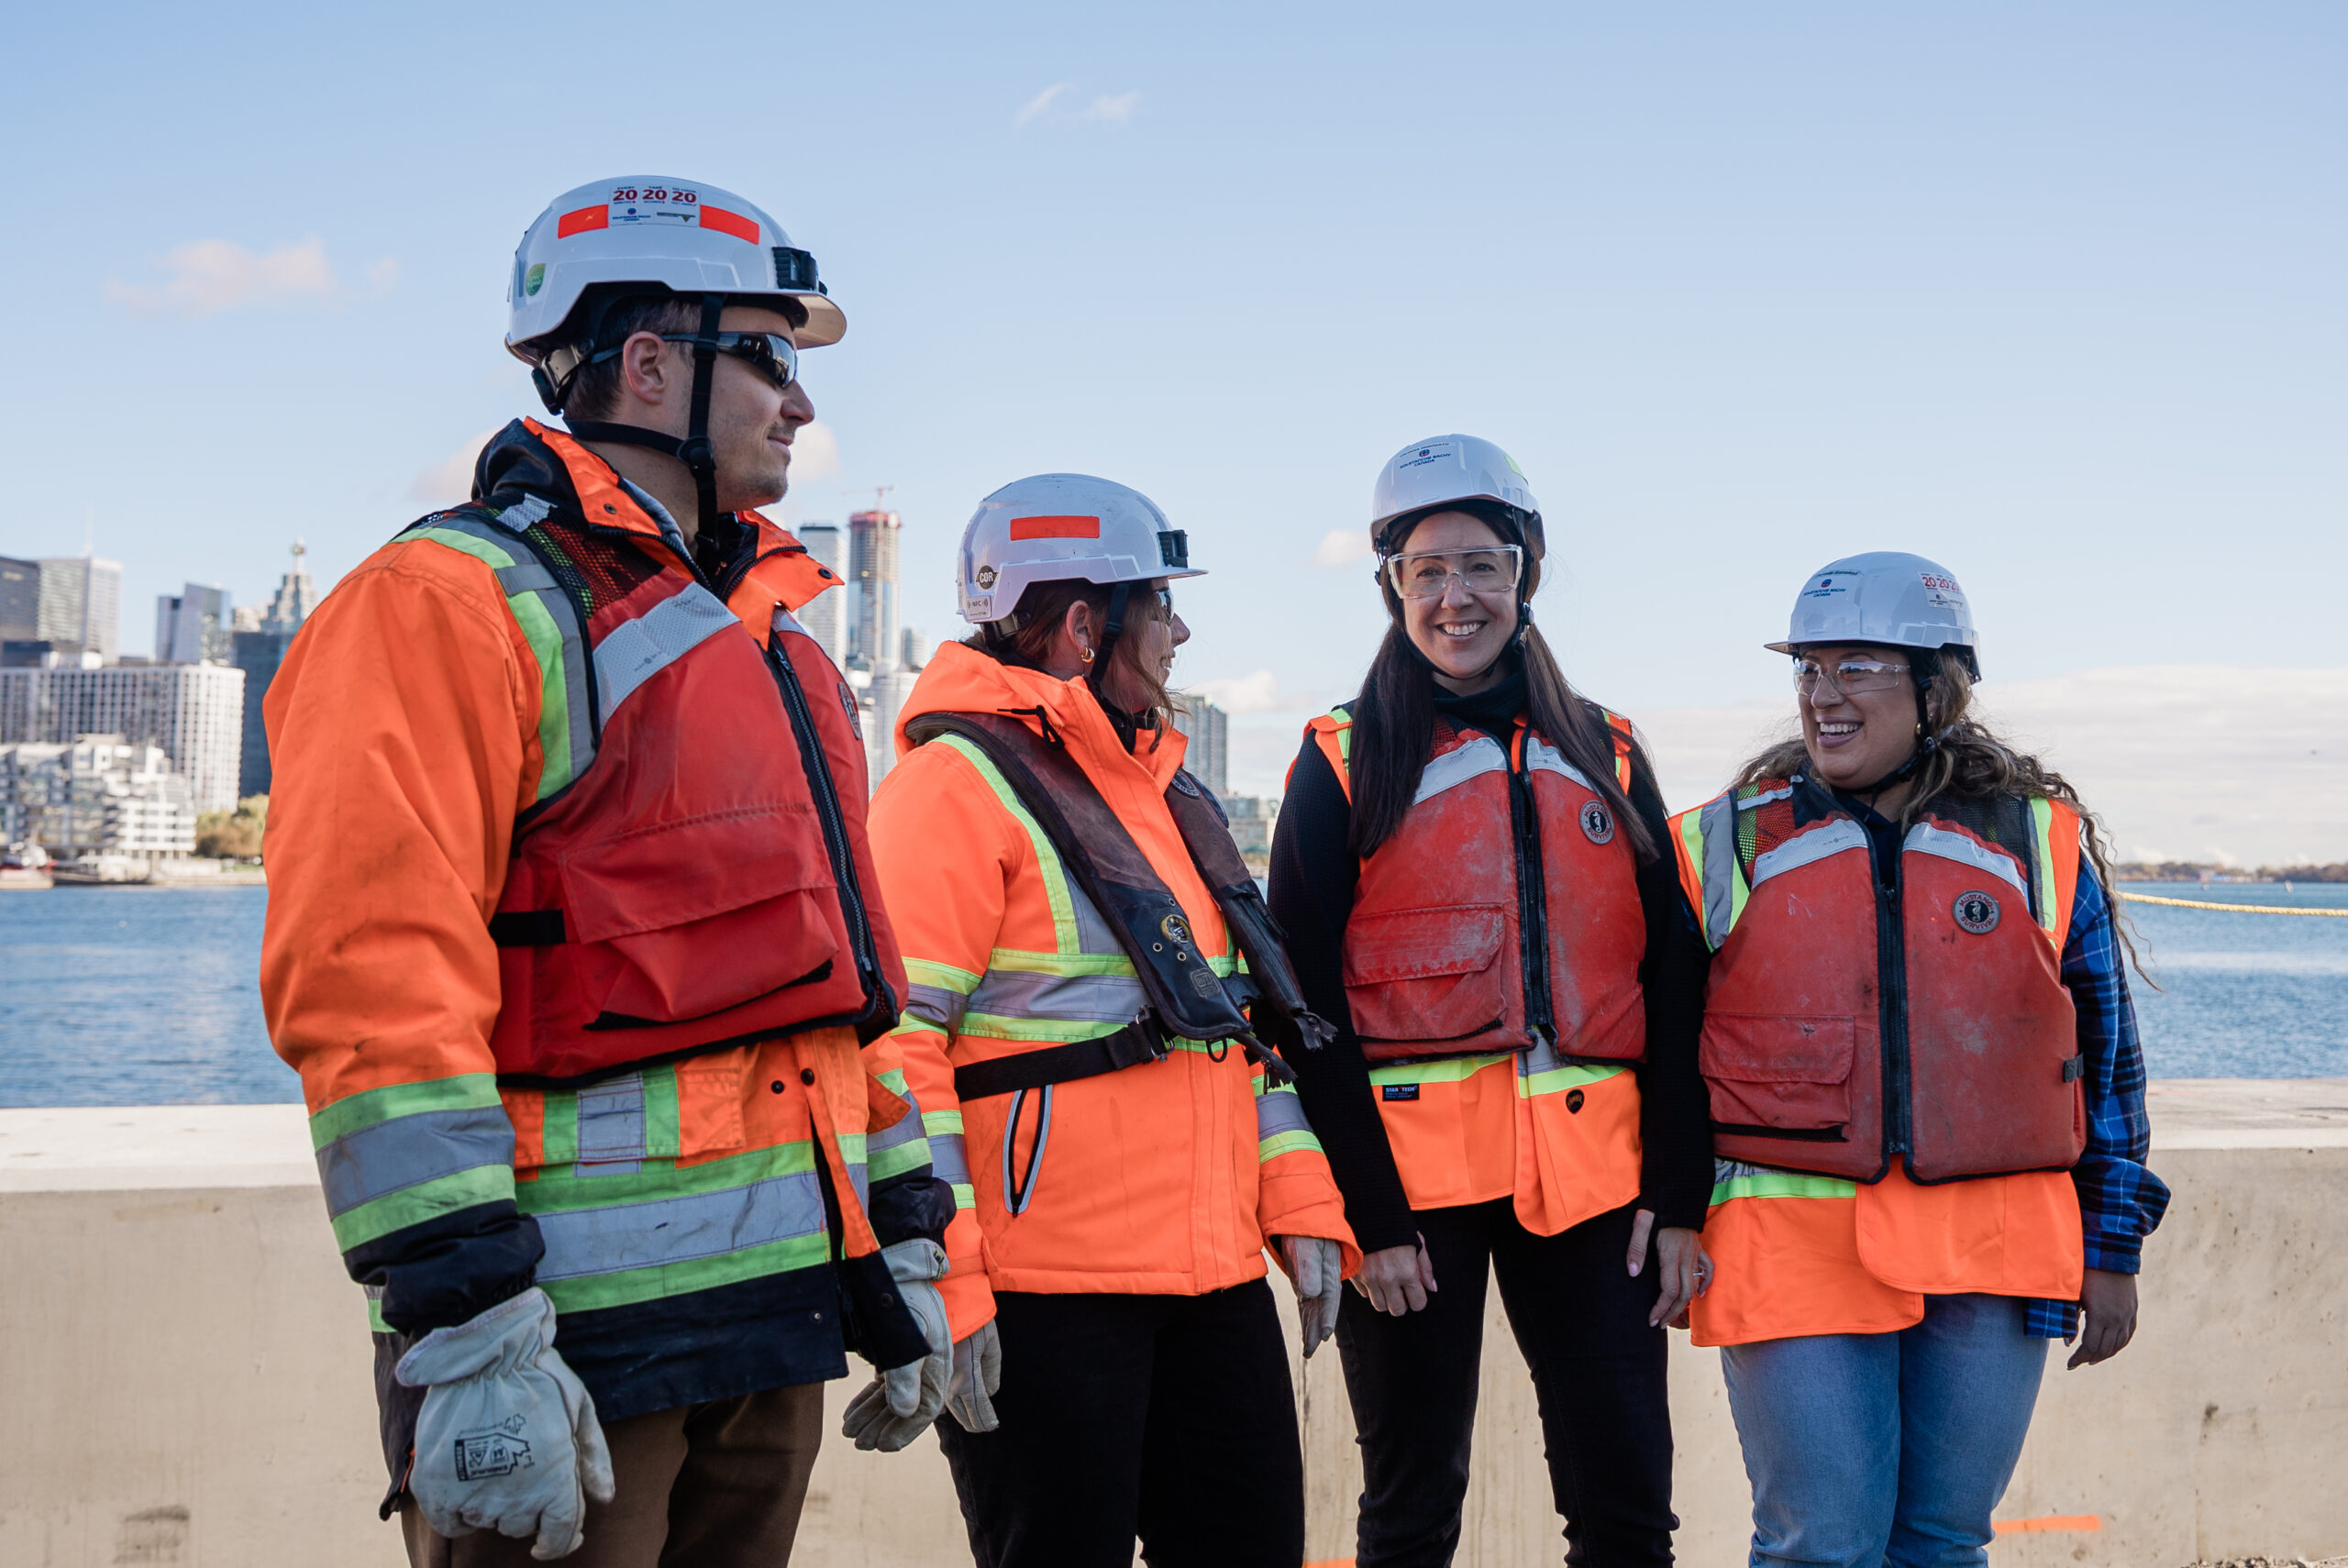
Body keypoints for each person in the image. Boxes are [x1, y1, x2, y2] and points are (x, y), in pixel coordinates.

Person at [261, 176, 968, 1566]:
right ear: (646, 363)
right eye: (767, 354)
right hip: (558, 1345)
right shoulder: (448, 603)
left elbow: (834, 995)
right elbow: (372, 977)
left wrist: (904, 1235)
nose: (801, 403)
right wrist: (466, 1323)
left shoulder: (778, 646)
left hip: (769, 1328)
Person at [864, 472, 1361, 1568]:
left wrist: (1297, 1197)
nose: (1180, 630)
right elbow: (894, 1057)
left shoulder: (1164, 798)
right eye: (1160, 605)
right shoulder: (950, 788)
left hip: (1213, 1279)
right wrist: (945, 1278)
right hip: (1043, 1300)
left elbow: (1233, 1031)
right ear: (1086, 623)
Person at [1670, 552, 2172, 1568]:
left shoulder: (2039, 840)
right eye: (1809, 669)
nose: (1823, 694)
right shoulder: (1722, 842)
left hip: (1994, 1247)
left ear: (1935, 687)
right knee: (1820, 1544)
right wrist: (1674, 1214)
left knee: (1943, 1544)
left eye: (1857, 666)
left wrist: (2111, 1245)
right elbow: (1662, 1062)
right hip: (1792, 1242)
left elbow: (2108, 1059)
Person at [1268, 435, 1713, 1567]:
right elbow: (1301, 1002)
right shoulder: (1339, 755)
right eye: (1426, 572)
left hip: (1596, 1200)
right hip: (1412, 1205)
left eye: (1481, 566)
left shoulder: (1604, 749)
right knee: (1412, 1512)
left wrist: (1676, 1195)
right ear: (1390, 589)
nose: (1455, 596)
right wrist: (1370, 1218)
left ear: (1525, 576)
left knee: (1625, 1512)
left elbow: (1673, 979)